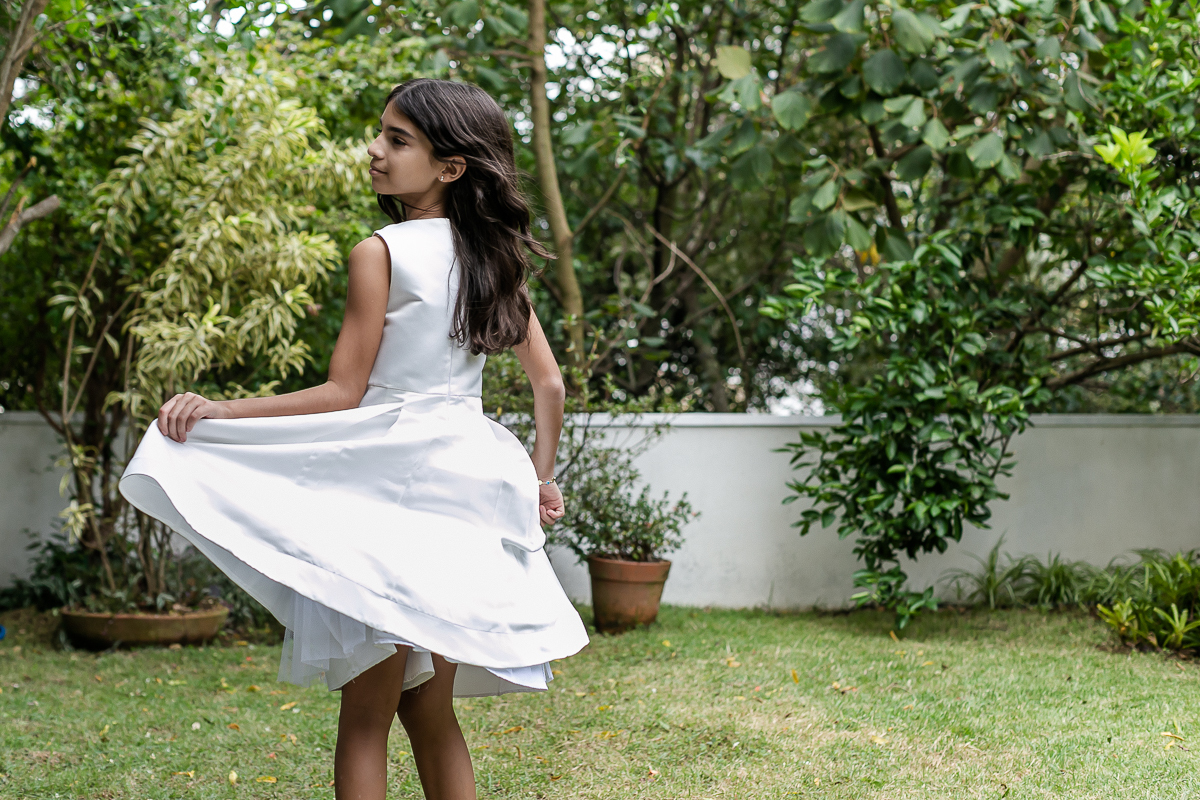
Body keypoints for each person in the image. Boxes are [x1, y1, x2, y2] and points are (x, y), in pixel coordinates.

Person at [120, 78, 589, 800]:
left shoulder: (381, 251)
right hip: (466, 479)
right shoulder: (494, 257)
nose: (375, 149)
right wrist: (541, 478)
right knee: (430, 713)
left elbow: (345, 393)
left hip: (388, 481)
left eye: (397, 140)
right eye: (381, 133)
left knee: (367, 715)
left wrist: (221, 411)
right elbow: (549, 384)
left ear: (451, 167)